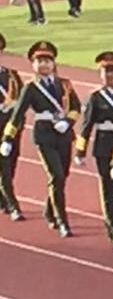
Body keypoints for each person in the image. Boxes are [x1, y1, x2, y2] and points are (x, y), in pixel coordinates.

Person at [1, 40, 82, 237]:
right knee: (56, 176)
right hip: (44, 134)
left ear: (53, 63)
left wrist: (68, 122)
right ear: (33, 64)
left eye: (47, 60)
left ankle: (50, 210)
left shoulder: (65, 84)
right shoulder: (31, 88)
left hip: (63, 134)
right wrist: (8, 138)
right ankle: (62, 222)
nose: (44, 64)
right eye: (39, 61)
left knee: (62, 176)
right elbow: (17, 115)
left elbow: (76, 107)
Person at [75, 50, 113, 251]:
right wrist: (80, 151)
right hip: (104, 148)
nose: (109, 74)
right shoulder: (95, 98)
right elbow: (86, 126)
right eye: (105, 70)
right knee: (109, 190)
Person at [0, 34, 23, 221]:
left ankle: (2, 198)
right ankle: (12, 204)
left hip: (12, 125)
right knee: (4, 166)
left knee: (12, 161)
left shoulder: (11, 75)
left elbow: (23, 99)